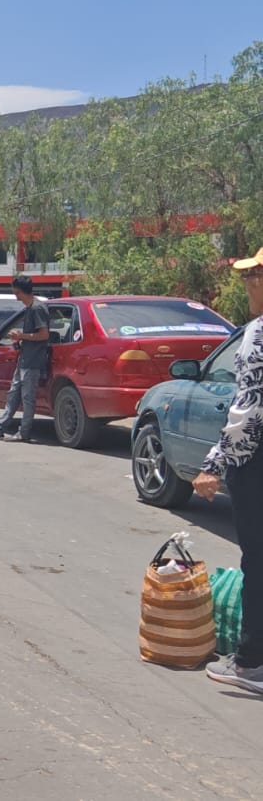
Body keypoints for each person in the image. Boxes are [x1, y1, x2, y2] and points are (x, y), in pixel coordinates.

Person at [194, 246, 263, 694]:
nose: (247, 287)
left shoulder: (259, 333)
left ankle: (253, 663)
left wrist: (213, 465)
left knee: (258, 560)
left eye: (251, 278)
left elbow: (250, 409)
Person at [0, 275, 49, 443]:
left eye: (15, 291)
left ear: (20, 290)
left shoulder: (37, 309)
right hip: (24, 359)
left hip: (33, 361)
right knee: (13, 395)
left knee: (27, 398)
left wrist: (22, 335)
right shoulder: (29, 308)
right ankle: (0, 428)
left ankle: (24, 432)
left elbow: (44, 334)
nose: (15, 295)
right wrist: (20, 339)